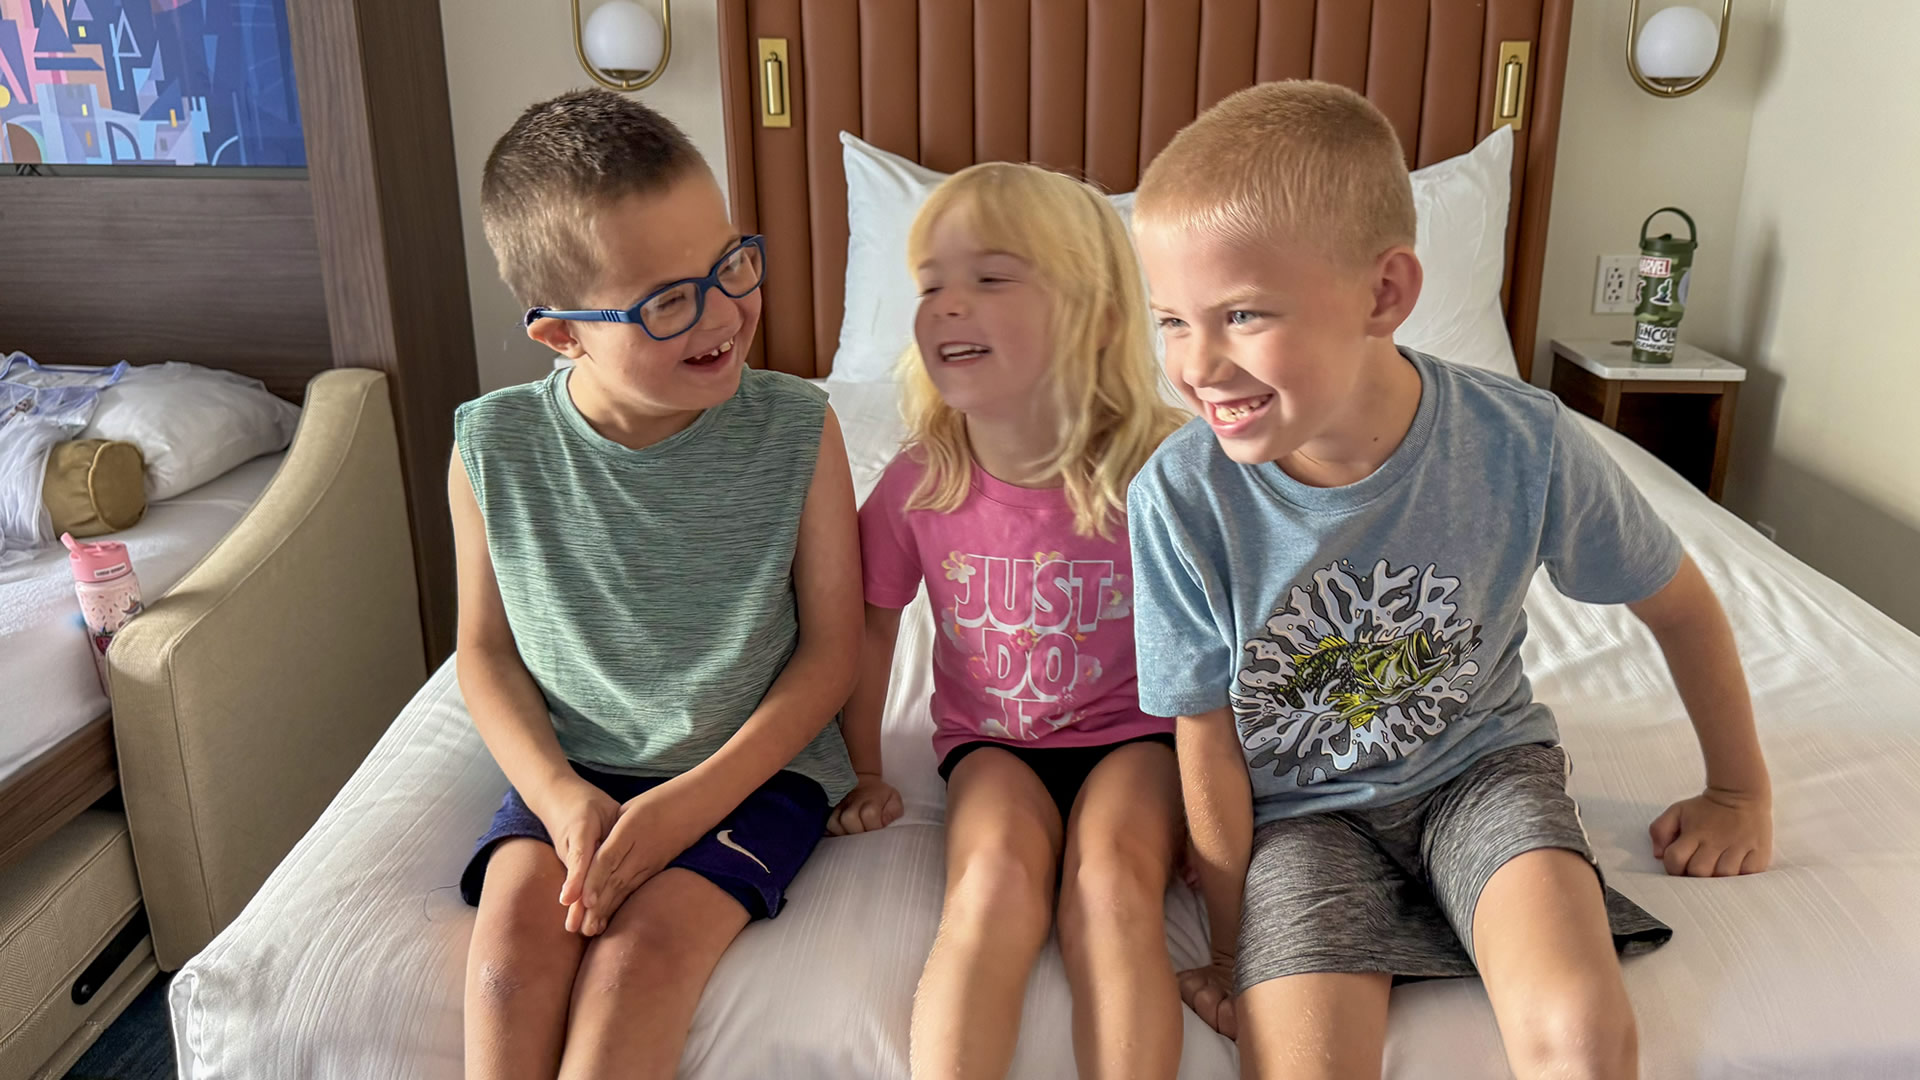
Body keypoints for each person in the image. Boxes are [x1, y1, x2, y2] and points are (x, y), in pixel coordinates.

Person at [1127, 81, 1772, 1079]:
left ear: (1385, 294)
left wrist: (1739, 789)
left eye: (1243, 313)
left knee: (1582, 1031)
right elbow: (1203, 736)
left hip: (1482, 775)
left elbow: (1679, 603)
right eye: (1171, 320)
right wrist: (1227, 943)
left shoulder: (1524, 444)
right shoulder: (1177, 496)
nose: (1198, 364)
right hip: (1301, 819)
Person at [450, 88, 860, 1080]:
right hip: (577, 770)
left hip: (750, 769)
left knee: (639, 965)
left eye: (732, 264)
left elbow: (832, 652)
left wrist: (688, 804)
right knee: (507, 970)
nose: (726, 313)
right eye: (669, 301)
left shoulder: (798, 428)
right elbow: (486, 650)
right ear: (560, 335)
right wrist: (555, 796)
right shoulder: (492, 446)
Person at [830, 162, 1190, 1078]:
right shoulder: (922, 478)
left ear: (1099, 316)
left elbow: (1233, 637)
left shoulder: (1168, 473)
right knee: (989, 886)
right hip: (994, 741)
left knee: (1111, 888)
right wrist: (865, 766)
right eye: (929, 284)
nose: (950, 304)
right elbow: (870, 627)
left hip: (1137, 735)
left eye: (990, 279)